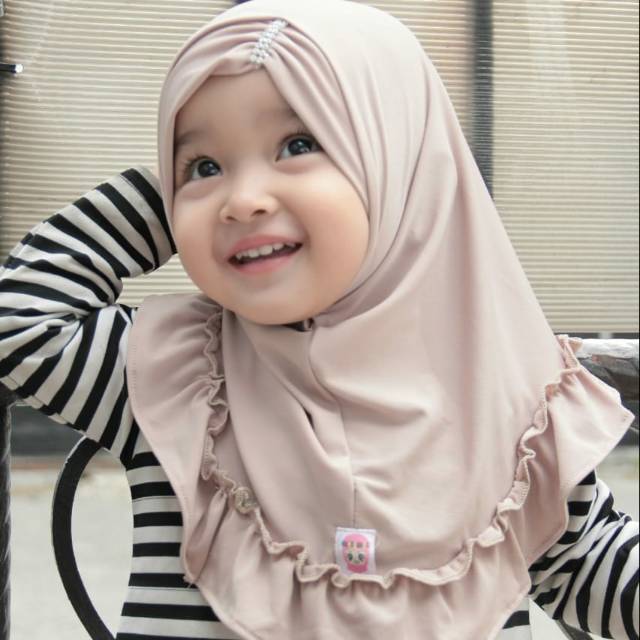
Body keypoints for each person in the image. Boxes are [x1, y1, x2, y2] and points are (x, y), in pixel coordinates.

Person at [0, 1, 637, 638]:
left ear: (400, 168)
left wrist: (206, 175)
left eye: (298, 145)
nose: (243, 201)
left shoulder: (511, 395)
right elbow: (20, 325)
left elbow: (587, 568)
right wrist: (164, 198)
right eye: (203, 167)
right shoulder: (171, 373)